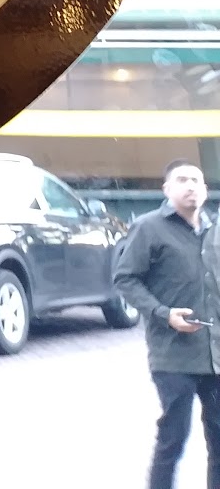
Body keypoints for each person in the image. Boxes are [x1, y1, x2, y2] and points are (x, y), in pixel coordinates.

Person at [114, 159, 220, 488]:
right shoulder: (149, 228)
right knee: (174, 437)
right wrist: (163, 313)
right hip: (173, 355)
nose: (191, 186)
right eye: (182, 180)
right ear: (167, 189)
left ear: (205, 189)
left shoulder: (215, 230)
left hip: (215, 355)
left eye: (196, 180)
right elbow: (125, 278)